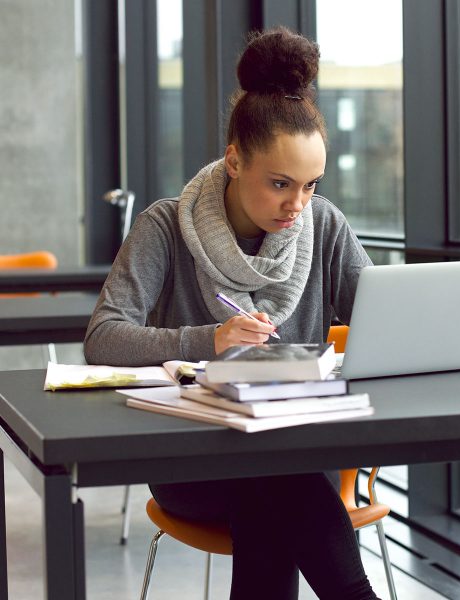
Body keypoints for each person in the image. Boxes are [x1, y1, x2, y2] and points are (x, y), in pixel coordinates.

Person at [84, 26, 380, 600]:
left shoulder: (324, 225)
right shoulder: (164, 226)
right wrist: (209, 339)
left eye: (311, 186)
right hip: (192, 462)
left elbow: (385, 317)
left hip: (291, 450)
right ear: (234, 160)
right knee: (277, 483)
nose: (297, 205)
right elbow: (104, 338)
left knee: (274, 483)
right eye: (279, 184)